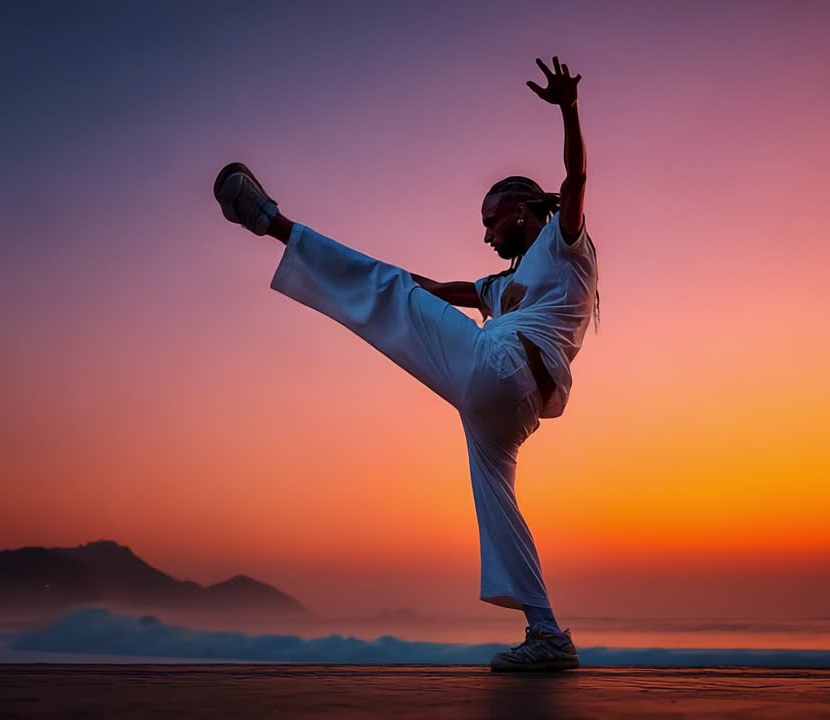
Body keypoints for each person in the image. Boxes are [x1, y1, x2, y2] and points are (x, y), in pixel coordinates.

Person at [213, 56, 598, 672]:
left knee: (389, 292)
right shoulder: (503, 285)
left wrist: (569, 109)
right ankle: (547, 633)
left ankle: (275, 224)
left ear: (521, 212)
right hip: (508, 403)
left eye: (490, 220)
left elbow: (575, 179)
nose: (486, 234)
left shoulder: (563, 244)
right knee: (498, 507)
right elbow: (436, 290)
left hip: (503, 366)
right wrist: (393, 282)